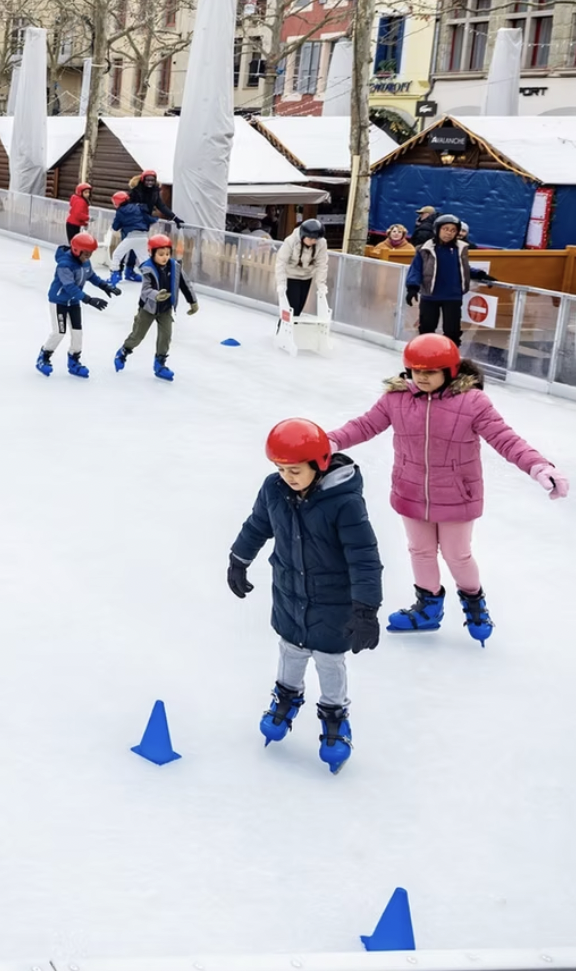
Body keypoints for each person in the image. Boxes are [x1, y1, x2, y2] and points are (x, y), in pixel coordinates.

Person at [325, 333, 565, 645]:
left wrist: (538, 466)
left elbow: (505, 439)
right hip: (411, 491)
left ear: (449, 371)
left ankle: (473, 600)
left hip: (457, 494)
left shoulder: (472, 402)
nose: (421, 377)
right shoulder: (396, 398)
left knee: (457, 555)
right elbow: (363, 426)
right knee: (420, 551)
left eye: (430, 371)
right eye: (415, 370)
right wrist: (328, 442)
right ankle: (427, 608)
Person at [227, 418, 382, 773]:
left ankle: (334, 714)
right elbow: (257, 525)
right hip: (289, 594)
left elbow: (364, 558)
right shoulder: (274, 490)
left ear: (320, 463)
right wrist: (238, 559)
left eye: (295, 470)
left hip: (333, 602)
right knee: (291, 651)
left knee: (329, 662)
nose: (287, 477)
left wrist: (365, 610)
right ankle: (286, 697)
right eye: (280, 469)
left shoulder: (344, 503)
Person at [114, 232, 198, 380]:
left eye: (167, 253)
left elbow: (185, 284)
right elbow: (146, 290)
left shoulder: (175, 266)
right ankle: (124, 351)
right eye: (161, 254)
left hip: (166, 309)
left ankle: (160, 364)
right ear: (151, 253)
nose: (165, 257)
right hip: (148, 309)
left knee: (165, 336)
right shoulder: (148, 268)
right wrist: (156, 295)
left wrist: (193, 301)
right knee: (138, 336)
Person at [36, 231, 118, 378]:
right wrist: (89, 299)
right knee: (59, 332)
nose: (88, 257)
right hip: (59, 301)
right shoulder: (64, 265)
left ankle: (74, 361)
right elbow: (70, 287)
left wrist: (105, 286)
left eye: (90, 254)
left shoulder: (85, 261)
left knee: (77, 333)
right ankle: (44, 357)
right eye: (86, 254)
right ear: (76, 250)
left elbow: (91, 276)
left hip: (73, 302)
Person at [404, 213, 484, 345]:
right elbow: (416, 269)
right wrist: (412, 287)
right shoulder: (424, 249)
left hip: (452, 296)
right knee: (427, 329)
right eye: (445, 229)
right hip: (430, 296)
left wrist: (479, 273)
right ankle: (426, 355)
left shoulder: (461, 248)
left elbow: (462, 267)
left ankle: (449, 360)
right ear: (437, 229)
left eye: (453, 230)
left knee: (452, 332)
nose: (449, 233)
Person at [275, 217, 327, 322]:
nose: (314, 241)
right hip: (291, 275)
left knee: (299, 308)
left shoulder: (321, 243)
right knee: (291, 308)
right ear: (303, 236)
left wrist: (321, 285)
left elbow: (322, 264)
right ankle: (283, 330)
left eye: (316, 239)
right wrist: (281, 284)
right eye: (311, 239)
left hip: (307, 276)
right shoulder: (291, 241)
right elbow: (281, 262)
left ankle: (294, 329)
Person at [107, 189, 151, 285]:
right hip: (143, 236)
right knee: (144, 258)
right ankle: (152, 277)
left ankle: (115, 275)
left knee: (117, 255)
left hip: (131, 236)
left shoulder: (120, 211)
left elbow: (115, 227)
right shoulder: (137, 207)